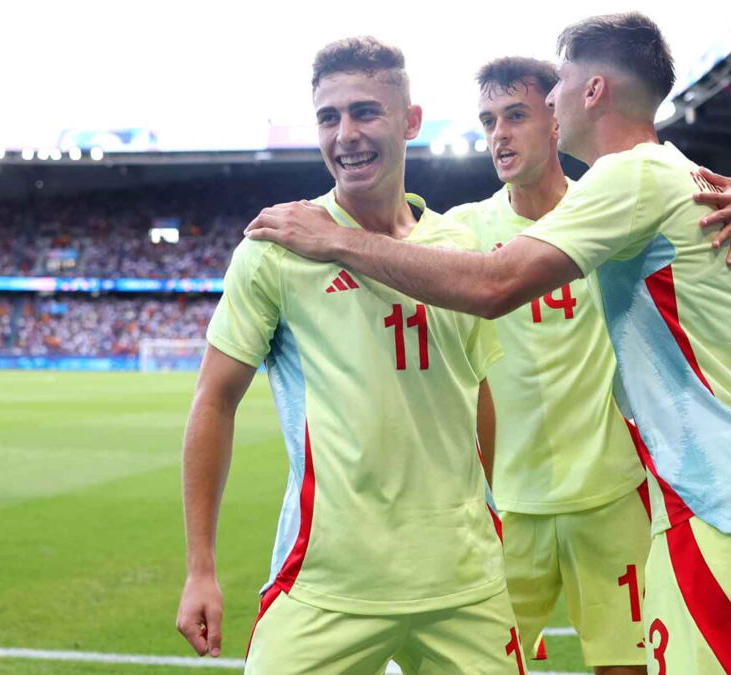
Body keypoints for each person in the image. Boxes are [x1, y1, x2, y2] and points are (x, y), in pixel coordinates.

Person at [247, 13, 731, 675]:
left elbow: (493, 284)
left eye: (550, 92)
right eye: (489, 120)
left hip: (714, 500)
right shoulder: (670, 175)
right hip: (611, 502)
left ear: (592, 92)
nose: (546, 104)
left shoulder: (624, 182)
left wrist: (336, 238)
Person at [175, 37, 524, 674]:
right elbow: (214, 399)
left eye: (366, 112)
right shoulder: (276, 247)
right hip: (326, 581)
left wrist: (488, 512)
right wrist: (201, 568)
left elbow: (479, 393)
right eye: (329, 117)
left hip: (464, 581)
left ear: (411, 121)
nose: (346, 135)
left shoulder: (461, 245)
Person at [442, 57, 731, 674]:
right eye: (489, 120)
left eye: (516, 115)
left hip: (611, 495)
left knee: (625, 668)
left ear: (556, 118)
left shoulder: (620, 209)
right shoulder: (465, 231)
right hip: (507, 506)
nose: (499, 134)